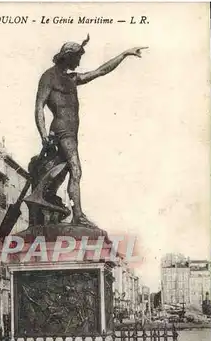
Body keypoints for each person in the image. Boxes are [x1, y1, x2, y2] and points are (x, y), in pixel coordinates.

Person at [35, 35, 147, 226]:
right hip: (62, 131)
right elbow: (39, 107)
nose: (79, 62)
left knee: (61, 172)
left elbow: (100, 71)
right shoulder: (49, 77)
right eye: (77, 57)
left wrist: (124, 54)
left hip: (71, 132)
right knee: (76, 171)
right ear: (68, 56)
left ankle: (48, 204)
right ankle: (77, 215)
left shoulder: (72, 78)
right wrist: (43, 134)